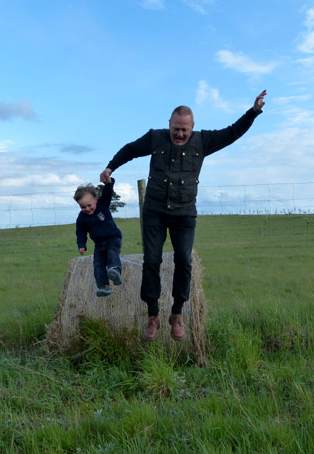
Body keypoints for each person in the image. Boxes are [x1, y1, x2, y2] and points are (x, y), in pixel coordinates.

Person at [100, 90, 267, 340]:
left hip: (184, 213)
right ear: (169, 125)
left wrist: (253, 112)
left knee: (184, 261)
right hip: (155, 212)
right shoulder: (155, 138)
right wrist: (110, 166)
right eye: (176, 128)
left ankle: (177, 314)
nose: (179, 134)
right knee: (152, 261)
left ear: (192, 128)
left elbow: (232, 133)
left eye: (184, 130)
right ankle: (153, 316)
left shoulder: (203, 141)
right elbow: (131, 149)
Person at [74, 178, 123, 297]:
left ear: (96, 199)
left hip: (113, 238)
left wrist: (109, 183)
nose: (87, 209)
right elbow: (80, 233)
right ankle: (103, 286)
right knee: (98, 264)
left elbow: (108, 193)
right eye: (83, 207)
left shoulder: (103, 204)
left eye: (89, 205)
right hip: (99, 244)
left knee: (112, 253)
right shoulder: (81, 218)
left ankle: (115, 271)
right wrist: (81, 245)